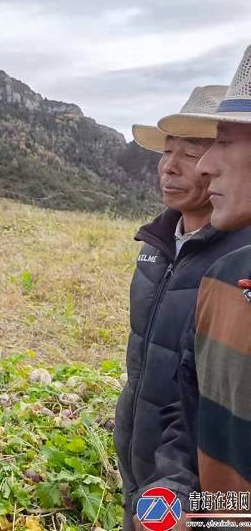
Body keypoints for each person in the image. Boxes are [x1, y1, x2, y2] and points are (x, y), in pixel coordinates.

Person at [112, 86, 251, 529]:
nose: (171, 166)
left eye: (195, 152)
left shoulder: (233, 275)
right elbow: (189, 402)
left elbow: (234, 501)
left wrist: (203, 514)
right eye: (167, 151)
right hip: (151, 463)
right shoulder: (155, 246)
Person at [148, 45, 251, 516]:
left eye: (223, 143)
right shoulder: (226, 283)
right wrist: (169, 501)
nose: (205, 166)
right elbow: (192, 417)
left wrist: (215, 517)